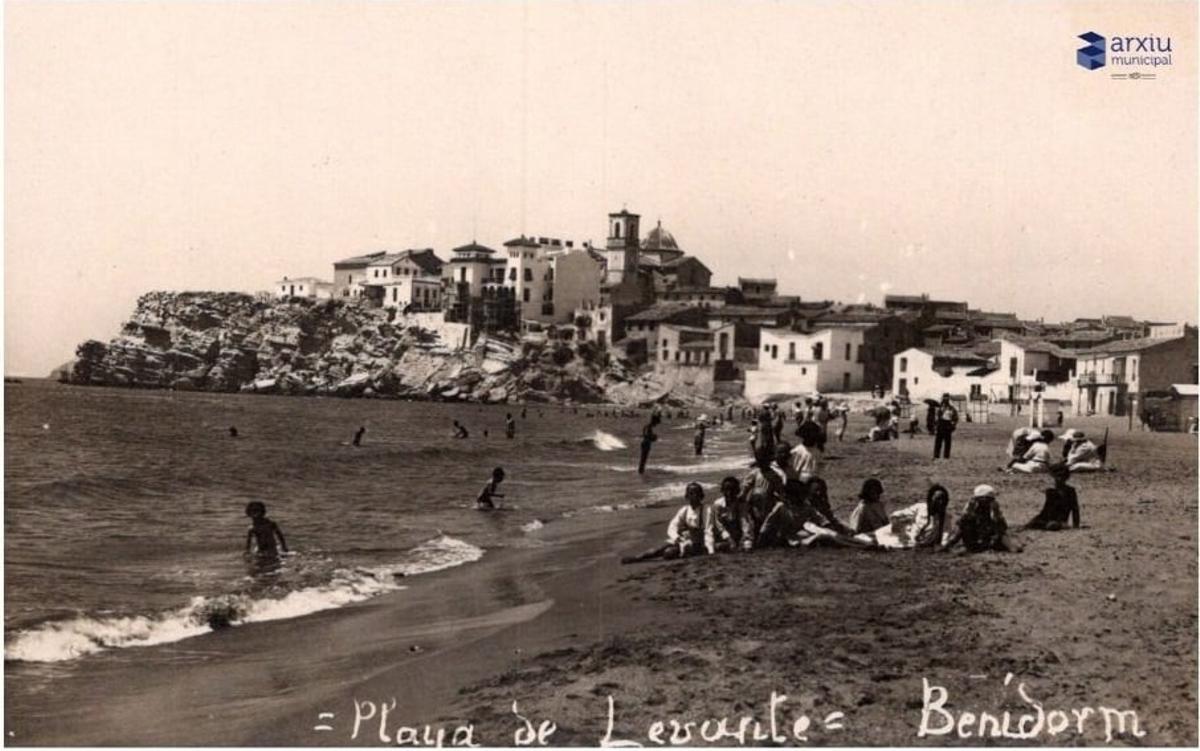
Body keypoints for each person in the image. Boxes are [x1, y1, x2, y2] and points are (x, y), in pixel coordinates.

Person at [622, 483, 707, 563]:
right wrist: (677, 538)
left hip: (698, 543)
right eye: (691, 494)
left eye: (696, 494)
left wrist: (710, 549)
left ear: (701, 496)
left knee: (668, 553)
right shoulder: (684, 510)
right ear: (687, 496)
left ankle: (676, 552)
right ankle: (638, 558)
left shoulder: (706, 510)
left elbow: (709, 530)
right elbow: (672, 526)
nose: (694, 496)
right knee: (659, 548)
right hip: (683, 540)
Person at [941, 485, 1021, 553]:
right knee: (962, 526)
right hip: (974, 541)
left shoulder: (992, 511)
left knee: (1003, 534)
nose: (984, 503)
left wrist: (996, 513)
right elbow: (962, 524)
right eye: (982, 500)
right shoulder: (972, 511)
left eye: (987, 500)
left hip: (988, 541)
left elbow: (1002, 528)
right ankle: (946, 547)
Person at [873, 484, 950, 549]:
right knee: (874, 535)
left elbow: (945, 536)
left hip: (913, 543)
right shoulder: (921, 507)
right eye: (938, 499)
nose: (940, 502)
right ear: (931, 499)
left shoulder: (945, 518)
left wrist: (942, 546)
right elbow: (900, 514)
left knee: (879, 543)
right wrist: (896, 519)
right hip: (905, 533)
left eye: (943, 499)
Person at [1025, 464, 1081, 530]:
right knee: (1032, 524)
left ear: (1066, 477)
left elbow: (1075, 509)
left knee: (1052, 525)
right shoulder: (1051, 491)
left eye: (1062, 476)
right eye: (1058, 476)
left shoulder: (1070, 491)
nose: (1059, 479)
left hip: (1060, 521)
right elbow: (1046, 510)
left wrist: (1076, 525)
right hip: (1049, 519)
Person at [706, 476, 749, 553]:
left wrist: (744, 537)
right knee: (721, 547)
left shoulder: (741, 504)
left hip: (738, 535)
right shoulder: (718, 504)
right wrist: (729, 539)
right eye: (726, 490)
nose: (729, 493)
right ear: (722, 490)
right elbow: (719, 526)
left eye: (732, 490)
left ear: (737, 491)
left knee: (748, 546)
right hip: (724, 537)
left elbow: (744, 522)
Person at [933, 394, 958, 460]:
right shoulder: (940, 408)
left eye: (946, 398)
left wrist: (953, 425)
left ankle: (946, 456)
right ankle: (936, 455)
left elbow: (955, 418)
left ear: (948, 399)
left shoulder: (951, 408)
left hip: (947, 424)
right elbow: (937, 417)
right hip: (941, 424)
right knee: (938, 441)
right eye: (944, 398)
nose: (945, 399)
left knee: (947, 441)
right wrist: (936, 424)